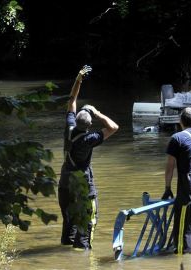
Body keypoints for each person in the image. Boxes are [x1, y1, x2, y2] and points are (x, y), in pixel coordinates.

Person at [58, 66, 119, 250]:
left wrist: (78, 79)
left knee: (69, 222)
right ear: (90, 124)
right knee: (87, 222)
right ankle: (83, 259)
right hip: (82, 183)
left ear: (75, 119)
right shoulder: (89, 138)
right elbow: (113, 127)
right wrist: (97, 112)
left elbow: (72, 99)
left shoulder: (68, 129)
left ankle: (67, 256)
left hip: (64, 182)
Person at [162, 107, 191, 254]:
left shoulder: (177, 138)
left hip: (190, 184)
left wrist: (168, 188)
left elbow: (170, 167)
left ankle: (183, 261)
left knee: (183, 230)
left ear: (180, 121)